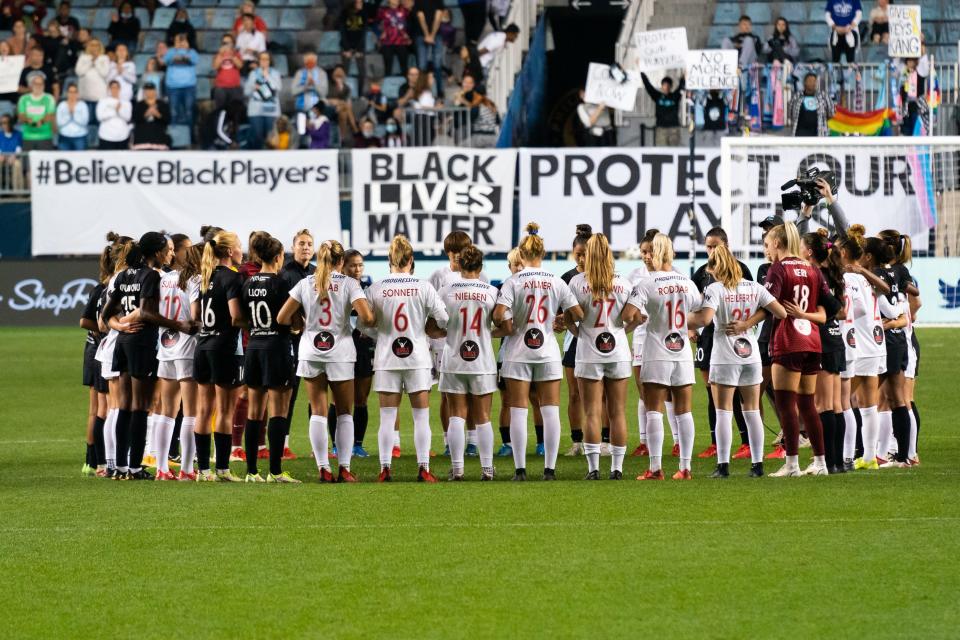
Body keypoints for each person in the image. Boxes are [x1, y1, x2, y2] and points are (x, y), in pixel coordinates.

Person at [494, 222, 584, 481]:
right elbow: (578, 313)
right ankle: (549, 470)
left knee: (519, 408)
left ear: (521, 255)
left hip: (518, 351)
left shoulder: (513, 282)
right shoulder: (556, 281)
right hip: (547, 350)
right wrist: (558, 320)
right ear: (543, 254)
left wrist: (511, 320)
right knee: (550, 409)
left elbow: (500, 314)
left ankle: (520, 470)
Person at [695, 245, 786, 478]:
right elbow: (780, 312)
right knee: (752, 410)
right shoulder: (754, 287)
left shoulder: (715, 289)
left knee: (723, 411)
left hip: (725, 356)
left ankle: (723, 466)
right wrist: (748, 322)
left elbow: (705, 319)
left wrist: (678, 319)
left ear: (716, 268)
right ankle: (758, 465)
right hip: (751, 355)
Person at [364, 235, 449, 483]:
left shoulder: (376, 288)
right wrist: (426, 329)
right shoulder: (424, 287)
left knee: (388, 416)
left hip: (387, 357)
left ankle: (385, 468)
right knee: (421, 415)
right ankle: (423, 467)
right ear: (411, 260)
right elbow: (443, 319)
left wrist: (381, 334)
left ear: (389, 259)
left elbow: (364, 324)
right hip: (417, 358)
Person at [101, 232, 183, 481]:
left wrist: (120, 326)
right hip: (142, 344)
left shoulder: (125, 274)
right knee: (140, 407)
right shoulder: (150, 276)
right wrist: (180, 325)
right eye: (167, 250)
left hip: (123, 344)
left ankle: (119, 467)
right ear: (157, 252)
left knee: (123, 407)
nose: (170, 253)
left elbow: (107, 314)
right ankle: (135, 467)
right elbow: (147, 313)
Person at [761, 222, 838, 477]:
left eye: (768, 242)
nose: (767, 247)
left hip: (788, 340)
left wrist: (746, 322)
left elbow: (767, 304)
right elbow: (832, 305)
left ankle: (792, 464)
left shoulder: (778, 269)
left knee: (786, 405)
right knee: (807, 405)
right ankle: (820, 463)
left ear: (778, 243)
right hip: (812, 342)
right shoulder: (813, 270)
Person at [622, 234, 702, 480]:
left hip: (656, 350)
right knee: (684, 411)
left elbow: (628, 314)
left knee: (653, 409)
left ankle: (655, 469)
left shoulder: (646, 284)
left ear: (655, 254)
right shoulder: (687, 282)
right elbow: (699, 314)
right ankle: (685, 468)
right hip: (682, 353)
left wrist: (641, 319)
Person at [567, 234, 633, 480]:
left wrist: (579, 333)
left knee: (592, 412)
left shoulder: (576, 283)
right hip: (617, 350)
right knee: (617, 411)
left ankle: (593, 469)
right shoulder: (624, 283)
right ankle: (617, 469)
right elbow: (635, 317)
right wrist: (621, 332)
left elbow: (569, 320)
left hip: (588, 351)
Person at [436, 245, 502, 480]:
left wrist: (448, 331)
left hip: (454, 359)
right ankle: (487, 469)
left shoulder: (445, 291)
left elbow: (433, 327)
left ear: (460, 265)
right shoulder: (492, 292)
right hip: (482, 360)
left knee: (456, 415)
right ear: (481, 267)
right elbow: (506, 325)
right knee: (483, 416)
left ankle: (457, 469)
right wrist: (488, 333)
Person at [240, 235, 302, 483]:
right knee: (278, 410)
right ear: (278, 257)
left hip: (253, 347)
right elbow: (291, 319)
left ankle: (251, 472)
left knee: (254, 411)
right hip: (276, 347)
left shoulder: (247, 283)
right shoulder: (280, 283)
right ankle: (275, 472)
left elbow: (243, 318)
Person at [692, 228, 755, 463]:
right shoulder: (702, 272)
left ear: (726, 245)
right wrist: (690, 328)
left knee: (737, 391)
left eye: (714, 246)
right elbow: (693, 300)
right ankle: (715, 443)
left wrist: (746, 324)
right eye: (707, 246)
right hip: (708, 337)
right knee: (711, 390)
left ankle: (746, 442)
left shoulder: (741, 269)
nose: (710, 251)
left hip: (732, 336)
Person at [193, 230, 246, 482]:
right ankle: (223, 469)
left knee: (204, 410)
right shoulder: (231, 278)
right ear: (228, 252)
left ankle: (203, 470)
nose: (241, 251)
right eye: (238, 247)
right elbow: (235, 316)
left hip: (202, 347)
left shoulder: (204, 277)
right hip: (223, 348)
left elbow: (195, 316)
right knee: (225, 411)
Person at [156, 241, 201, 481]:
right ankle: (186, 469)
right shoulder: (194, 280)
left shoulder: (164, 278)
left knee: (167, 411)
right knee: (191, 412)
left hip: (165, 345)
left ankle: (161, 467)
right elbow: (195, 317)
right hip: (186, 347)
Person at [279, 229, 316, 458]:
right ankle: (283, 444)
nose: (306, 247)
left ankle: (316, 446)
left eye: (309, 244)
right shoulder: (285, 274)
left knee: (316, 394)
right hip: (291, 341)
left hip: (314, 342)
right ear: (294, 247)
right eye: (301, 243)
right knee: (289, 394)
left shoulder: (318, 273)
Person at [558, 225, 591, 456]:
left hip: (597, 340)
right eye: (577, 254)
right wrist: (559, 322)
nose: (581, 258)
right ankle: (577, 441)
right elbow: (559, 316)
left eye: (585, 253)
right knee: (574, 394)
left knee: (601, 395)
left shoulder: (602, 276)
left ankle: (604, 440)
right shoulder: (566, 278)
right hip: (573, 340)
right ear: (572, 252)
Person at [343, 250, 375, 457]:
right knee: (339, 400)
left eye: (360, 265)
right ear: (343, 266)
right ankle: (338, 444)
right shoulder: (339, 289)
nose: (357, 269)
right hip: (341, 348)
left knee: (361, 398)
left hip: (363, 349)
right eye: (353, 265)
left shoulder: (367, 290)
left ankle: (357, 444)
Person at [626, 229, 655, 457]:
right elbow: (625, 307)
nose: (646, 256)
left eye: (651, 251)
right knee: (642, 388)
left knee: (670, 393)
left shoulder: (673, 273)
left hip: (665, 338)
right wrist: (634, 319)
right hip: (641, 336)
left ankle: (676, 441)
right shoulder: (634, 276)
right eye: (644, 251)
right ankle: (644, 442)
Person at [245, 51, 281, 150]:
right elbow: (246, 92)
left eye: (266, 59)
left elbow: (278, 87)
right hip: (256, 110)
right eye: (262, 59)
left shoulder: (275, 73)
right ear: (259, 61)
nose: (264, 61)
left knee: (271, 138)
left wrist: (267, 76)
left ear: (270, 61)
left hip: (272, 111)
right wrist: (253, 87)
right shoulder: (253, 73)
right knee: (257, 137)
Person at [163, 32, 199, 126]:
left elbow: (195, 61)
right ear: (175, 42)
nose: (181, 43)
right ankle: (175, 135)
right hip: (173, 87)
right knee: (173, 111)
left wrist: (186, 53)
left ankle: (190, 136)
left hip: (189, 87)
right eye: (179, 40)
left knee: (189, 111)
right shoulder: (170, 51)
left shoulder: (192, 52)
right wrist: (174, 55)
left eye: (183, 40)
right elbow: (165, 61)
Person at [640, 72, 684, 147]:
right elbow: (648, 86)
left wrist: (684, 77)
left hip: (674, 128)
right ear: (661, 86)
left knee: (674, 151)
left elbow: (681, 87)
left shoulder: (675, 96)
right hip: (661, 128)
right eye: (664, 85)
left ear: (671, 87)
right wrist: (641, 72)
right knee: (661, 151)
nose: (666, 87)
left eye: (668, 85)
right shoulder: (657, 96)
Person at [17, 72, 55, 151]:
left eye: (41, 84)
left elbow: (50, 115)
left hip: (45, 136)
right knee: (27, 162)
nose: (38, 86)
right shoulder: (23, 99)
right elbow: (21, 116)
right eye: (36, 84)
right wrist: (27, 120)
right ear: (31, 85)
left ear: (44, 85)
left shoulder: (49, 98)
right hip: (28, 136)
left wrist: (41, 121)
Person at [413, 0, 444, 94]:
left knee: (437, 65)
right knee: (422, 66)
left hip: (435, 35)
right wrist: (428, 35)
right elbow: (420, 17)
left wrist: (431, 35)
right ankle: (421, 91)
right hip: (422, 35)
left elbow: (438, 17)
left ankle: (439, 93)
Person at [790, 72, 834, 137]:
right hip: (800, 134)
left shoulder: (824, 96)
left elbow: (831, 113)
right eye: (810, 81)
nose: (812, 83)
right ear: (804, 83)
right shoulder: (797, 96)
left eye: (814, 81)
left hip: (819, 134)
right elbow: (791, 112)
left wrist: (822, 122)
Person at [131, 82, 170, 149]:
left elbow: (168, 119)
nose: (149, 92)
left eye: (151, 90)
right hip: (142, 141)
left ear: (155, 91)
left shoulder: (162, 104)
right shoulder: (139, 105)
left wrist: (157, 114)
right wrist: (146, 114)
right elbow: (134, 119)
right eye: (147, 90)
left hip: (159, 141)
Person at [378, 0, 412, 76]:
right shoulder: (383, 10)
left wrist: (408, 35)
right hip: (387, 41)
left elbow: (412, 22)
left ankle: (406, 83)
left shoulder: (404, 10)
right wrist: (380, 32)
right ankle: (387, 83)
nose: (394, 1)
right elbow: (376, 24)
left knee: (404, 65)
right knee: (387, 65)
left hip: (401, 41)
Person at [339, 0, 369, 85]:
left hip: (359, 45)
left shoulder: (363, 13)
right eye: (359, 2)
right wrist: (347, 48)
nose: (361, 4)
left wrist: (359, 49)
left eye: (361, 2)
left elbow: (363, 33)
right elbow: (342, 32)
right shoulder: (344, 13)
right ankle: (344, 92)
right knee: (345, 71)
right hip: (346, 45)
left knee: (362, 71)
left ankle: (361, 94)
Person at [95, 79, 131, 149]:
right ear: (109, 89)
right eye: (113, 88)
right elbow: (100, 117)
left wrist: (119, 110)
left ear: (120, 89)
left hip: (122, 136)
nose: (115, 90)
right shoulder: (102, 101)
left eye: (117, 87)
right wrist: (115, 110)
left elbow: (128, 117)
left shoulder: (126, 103)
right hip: (106, 136)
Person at [212, 33, 243, 111]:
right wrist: (220, 54)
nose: (226, 45)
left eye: (228, 43)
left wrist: (232, 54)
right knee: (220, 110)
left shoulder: (237, 54)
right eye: (224, 43)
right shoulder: (218, 54)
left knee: (235, 111)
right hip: (221, 88)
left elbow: (240, 66)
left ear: (233, 43)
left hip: (235, 87)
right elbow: (215, 66)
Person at [55, 82, 89, 150]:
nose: (72, 94)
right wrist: (69, 114)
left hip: (80, 137)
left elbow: (85, 122)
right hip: (64, 136)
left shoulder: (83, 105)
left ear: (77, 93)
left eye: (74, 92)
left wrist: (74, 113)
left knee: (80, 159)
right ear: (67, 93)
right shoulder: (61, 105)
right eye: (70, 92)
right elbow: (59, 123)